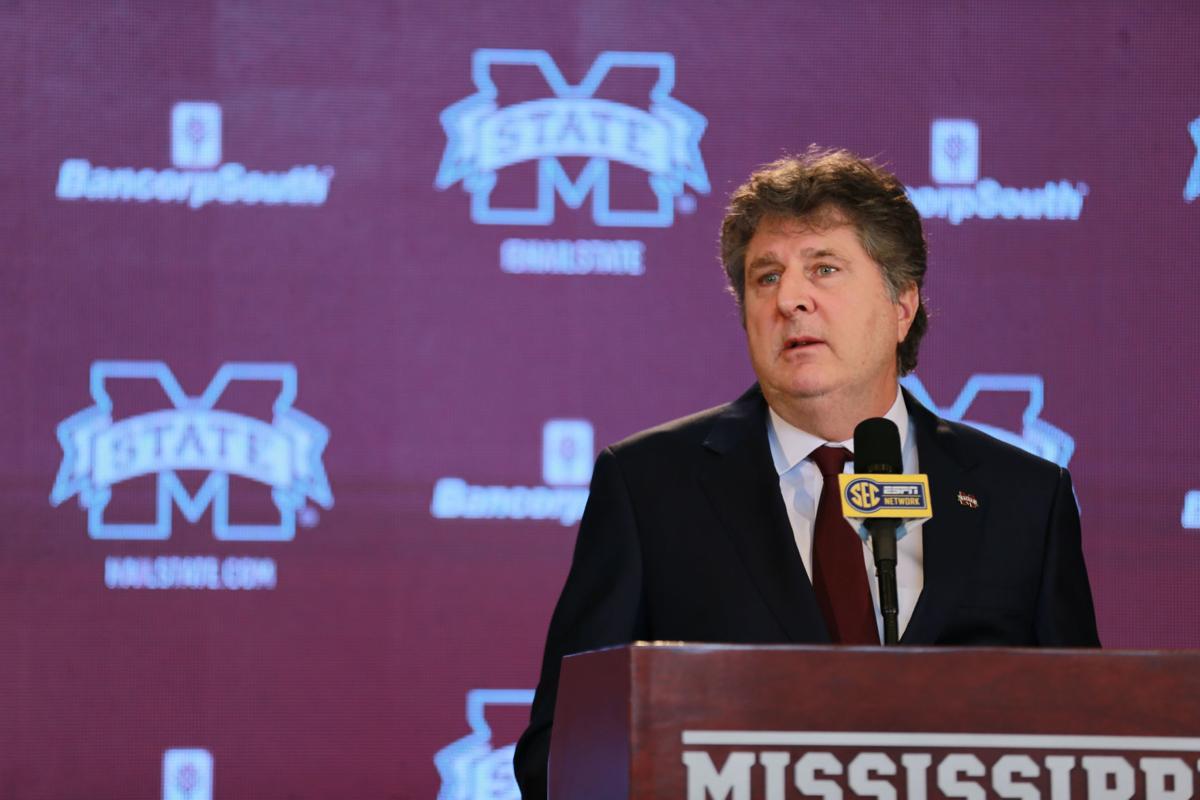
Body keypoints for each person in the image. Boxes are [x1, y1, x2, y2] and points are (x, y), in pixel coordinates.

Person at [512, 147, 1100, 799]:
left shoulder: (1022, 498)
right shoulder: (649, 488)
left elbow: (1093, 742)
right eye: (766, 278)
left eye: (824, 268)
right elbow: (560, 749)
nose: (791, 299)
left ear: (902, 304)